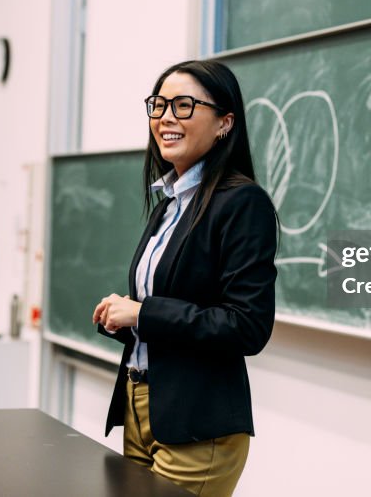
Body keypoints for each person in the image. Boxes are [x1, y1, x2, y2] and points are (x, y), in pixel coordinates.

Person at [92, 59, 278, 496]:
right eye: (158, 105)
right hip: (142, 406)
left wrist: (144, 312)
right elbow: (174, 309)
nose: (166, 118)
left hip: (198, 421)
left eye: (184, 105)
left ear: (224, 123)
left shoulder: (241, 202)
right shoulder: (169, 202)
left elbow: (246, 326)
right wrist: (125, 318)